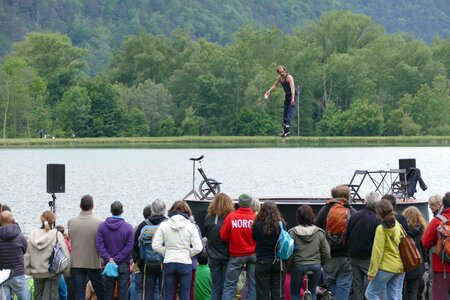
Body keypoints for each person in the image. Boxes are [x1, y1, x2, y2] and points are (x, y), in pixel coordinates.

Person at [152, 200, 203, 300]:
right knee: (185, 295)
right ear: (187, 212)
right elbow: (198, 247)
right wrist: (188, 253)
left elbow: (155, 245)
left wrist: (165, 252)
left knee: (168, 294)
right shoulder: (191, 227)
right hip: (185, 262)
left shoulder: (164, 225)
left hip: (169, 261)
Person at [316, 184, 355, 299]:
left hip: (329, 255)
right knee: (344, 287)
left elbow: (316, 230)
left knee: (328, 283)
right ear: (347, 196)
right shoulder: (351, 211)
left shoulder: (325, 209)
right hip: (346, 256)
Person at [25, 210, 70, 299]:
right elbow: (66, 255)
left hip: (37, 272)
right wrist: (66, 271)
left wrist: (28, 270)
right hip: (52, 272)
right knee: (50, 296)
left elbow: (27, 255)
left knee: (38, 296)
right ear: (53, 221)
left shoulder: (32, 235)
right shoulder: (57, 235)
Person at [67, 194, 106, 300]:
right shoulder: (100, 223)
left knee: (79, 293)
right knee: (101, 292)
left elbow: (70, 238)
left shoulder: (71, 222)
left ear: (80, 206)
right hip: (93, 262)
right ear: (92, 206)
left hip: (76, 262)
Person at [365, 199, 405, 300]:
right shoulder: (397, 225)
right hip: (399, 265)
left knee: (370, 293)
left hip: (386, 266)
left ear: (378, 213)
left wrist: (372, 272)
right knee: (393, 296)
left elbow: (377, 252)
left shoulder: (381, 229)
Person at [289, 205, 330, 300]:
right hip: (315, 266)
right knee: (313, 292)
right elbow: (327, 252)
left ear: (298, 217)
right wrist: (320, 264)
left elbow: (289, 253)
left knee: (295, 293)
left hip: (298, 266)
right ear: (312, 216)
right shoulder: (319, 232)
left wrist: (290, 266)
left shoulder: (293, 233)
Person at [220, 194, 256, 300]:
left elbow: (223, 235)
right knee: (253, 285)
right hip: (253, 254)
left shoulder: (231, 216)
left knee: (229, 285)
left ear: (239, 203)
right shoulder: (255, 217)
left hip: (236, 254)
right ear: (251, 204)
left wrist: (233, 239)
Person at [346, 191, 381, 300]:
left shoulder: (355, 215)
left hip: (353, 255)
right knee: (375, 286)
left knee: (357, 286)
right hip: (368, 257)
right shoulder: (377, 220)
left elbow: (347, 235)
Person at [96, 201, 134, 300]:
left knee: (108, 293)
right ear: (122, 211)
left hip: (108, 264)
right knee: (123, 293)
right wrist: (117, 258)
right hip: (123, 264)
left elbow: (99, 245)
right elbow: (129, 247)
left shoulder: (102, 226)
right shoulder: (129, 228)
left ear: (110, 211)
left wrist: (109, 259)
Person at [251, 200, 287, 300]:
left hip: (262, 261)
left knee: (262, 294)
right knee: (278, 294)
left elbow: (254, 238)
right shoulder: (281, 224)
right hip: (278, 261)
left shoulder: (257, 225)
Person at [133, 199, 168, 300]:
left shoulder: (143, 225)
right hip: (164, 262)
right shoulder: (168, 224)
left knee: (148, 291)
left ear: (152, 209)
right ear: (164, 210)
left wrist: (138, 261)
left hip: (147, 263)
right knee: (163, 291)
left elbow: (135, 245)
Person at [203, 193, 234, 300]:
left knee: (215, 286)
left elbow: (206, 234)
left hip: (213, 256)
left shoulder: (208, 217)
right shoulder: (230, 218)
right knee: (226, 286)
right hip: (227, 256)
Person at [422, 191, 450, 299]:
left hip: (441, 267)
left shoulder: (437, 221)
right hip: (441, 267)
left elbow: (425, 242)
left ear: (443, 204)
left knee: (439, 296)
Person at [0, 211, 30, 299]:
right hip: (17, 272)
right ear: (12, 220)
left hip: (3, 274)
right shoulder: (19, 236)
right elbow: (25, 249)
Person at [265, 65, 298, 137]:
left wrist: (292, 99)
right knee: (285, 113)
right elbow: (275, 85)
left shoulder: (289, 77)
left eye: (283, 72)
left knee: (290, 111)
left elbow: (292, 88)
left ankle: (287, 127)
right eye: (280, 73)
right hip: (287, 95)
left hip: (293, 95)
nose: (282, 73)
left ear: (285, 70)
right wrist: (269, 91)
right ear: (278, 73)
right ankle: (286, 132)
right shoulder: (280, 78)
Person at [401, 206, 427, 300]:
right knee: (412, 289)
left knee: (400, 289)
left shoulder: (401, 231)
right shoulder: (422, 231)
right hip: (416, 264)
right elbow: (424, 250)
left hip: (403, 264)